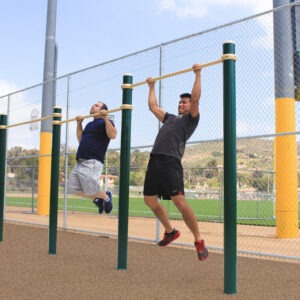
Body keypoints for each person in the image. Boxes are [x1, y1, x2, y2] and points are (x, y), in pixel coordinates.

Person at [143, 64, 208, 261]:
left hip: (171, 162)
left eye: (184, 102)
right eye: (180, 102)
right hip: (155, 160)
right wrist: (151, 87)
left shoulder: (191, 120)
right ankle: (170, 231)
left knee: (179, 201)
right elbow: (153, 107)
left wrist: (197, 75)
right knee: (149, 200)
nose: (182, 104)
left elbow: (196, 98)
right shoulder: (170, 118)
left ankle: (198, 240)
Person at [67, 101, 117, 214]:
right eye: (93, 105)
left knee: (91, 188)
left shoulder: (106, 122)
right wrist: (79, 124)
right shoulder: (90, 124)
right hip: (80, 161)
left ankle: (106, 197)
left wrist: (106, 118)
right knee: (73, 188)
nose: (93, 106)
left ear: (103, 110)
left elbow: (113, 135)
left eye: (96, 106)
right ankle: (97, 199)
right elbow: (81, 140)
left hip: (92, 161)